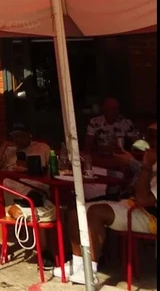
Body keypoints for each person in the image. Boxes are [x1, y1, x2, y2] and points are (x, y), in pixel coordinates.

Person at [57, 122, 156, 284]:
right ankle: (79, 265)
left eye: (155, 137)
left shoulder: (150, 164)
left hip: (151, 216)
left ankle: (91, 270)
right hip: (134, 206)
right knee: (76, 211)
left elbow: (143, 199)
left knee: (96, 212)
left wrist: (145, 165)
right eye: (149, 136)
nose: (151, 142)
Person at [0, 123, 54, 264]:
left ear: (29, 135)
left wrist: (28, 168)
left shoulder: (42, 147)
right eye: (15, 136)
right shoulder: (8, 150)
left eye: (21, 136)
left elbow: (48, 170)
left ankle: (44, 250)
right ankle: (1, 245)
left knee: (36, 200)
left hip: (33, 185)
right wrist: (3, 146)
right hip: (10, 187)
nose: (18, 140)